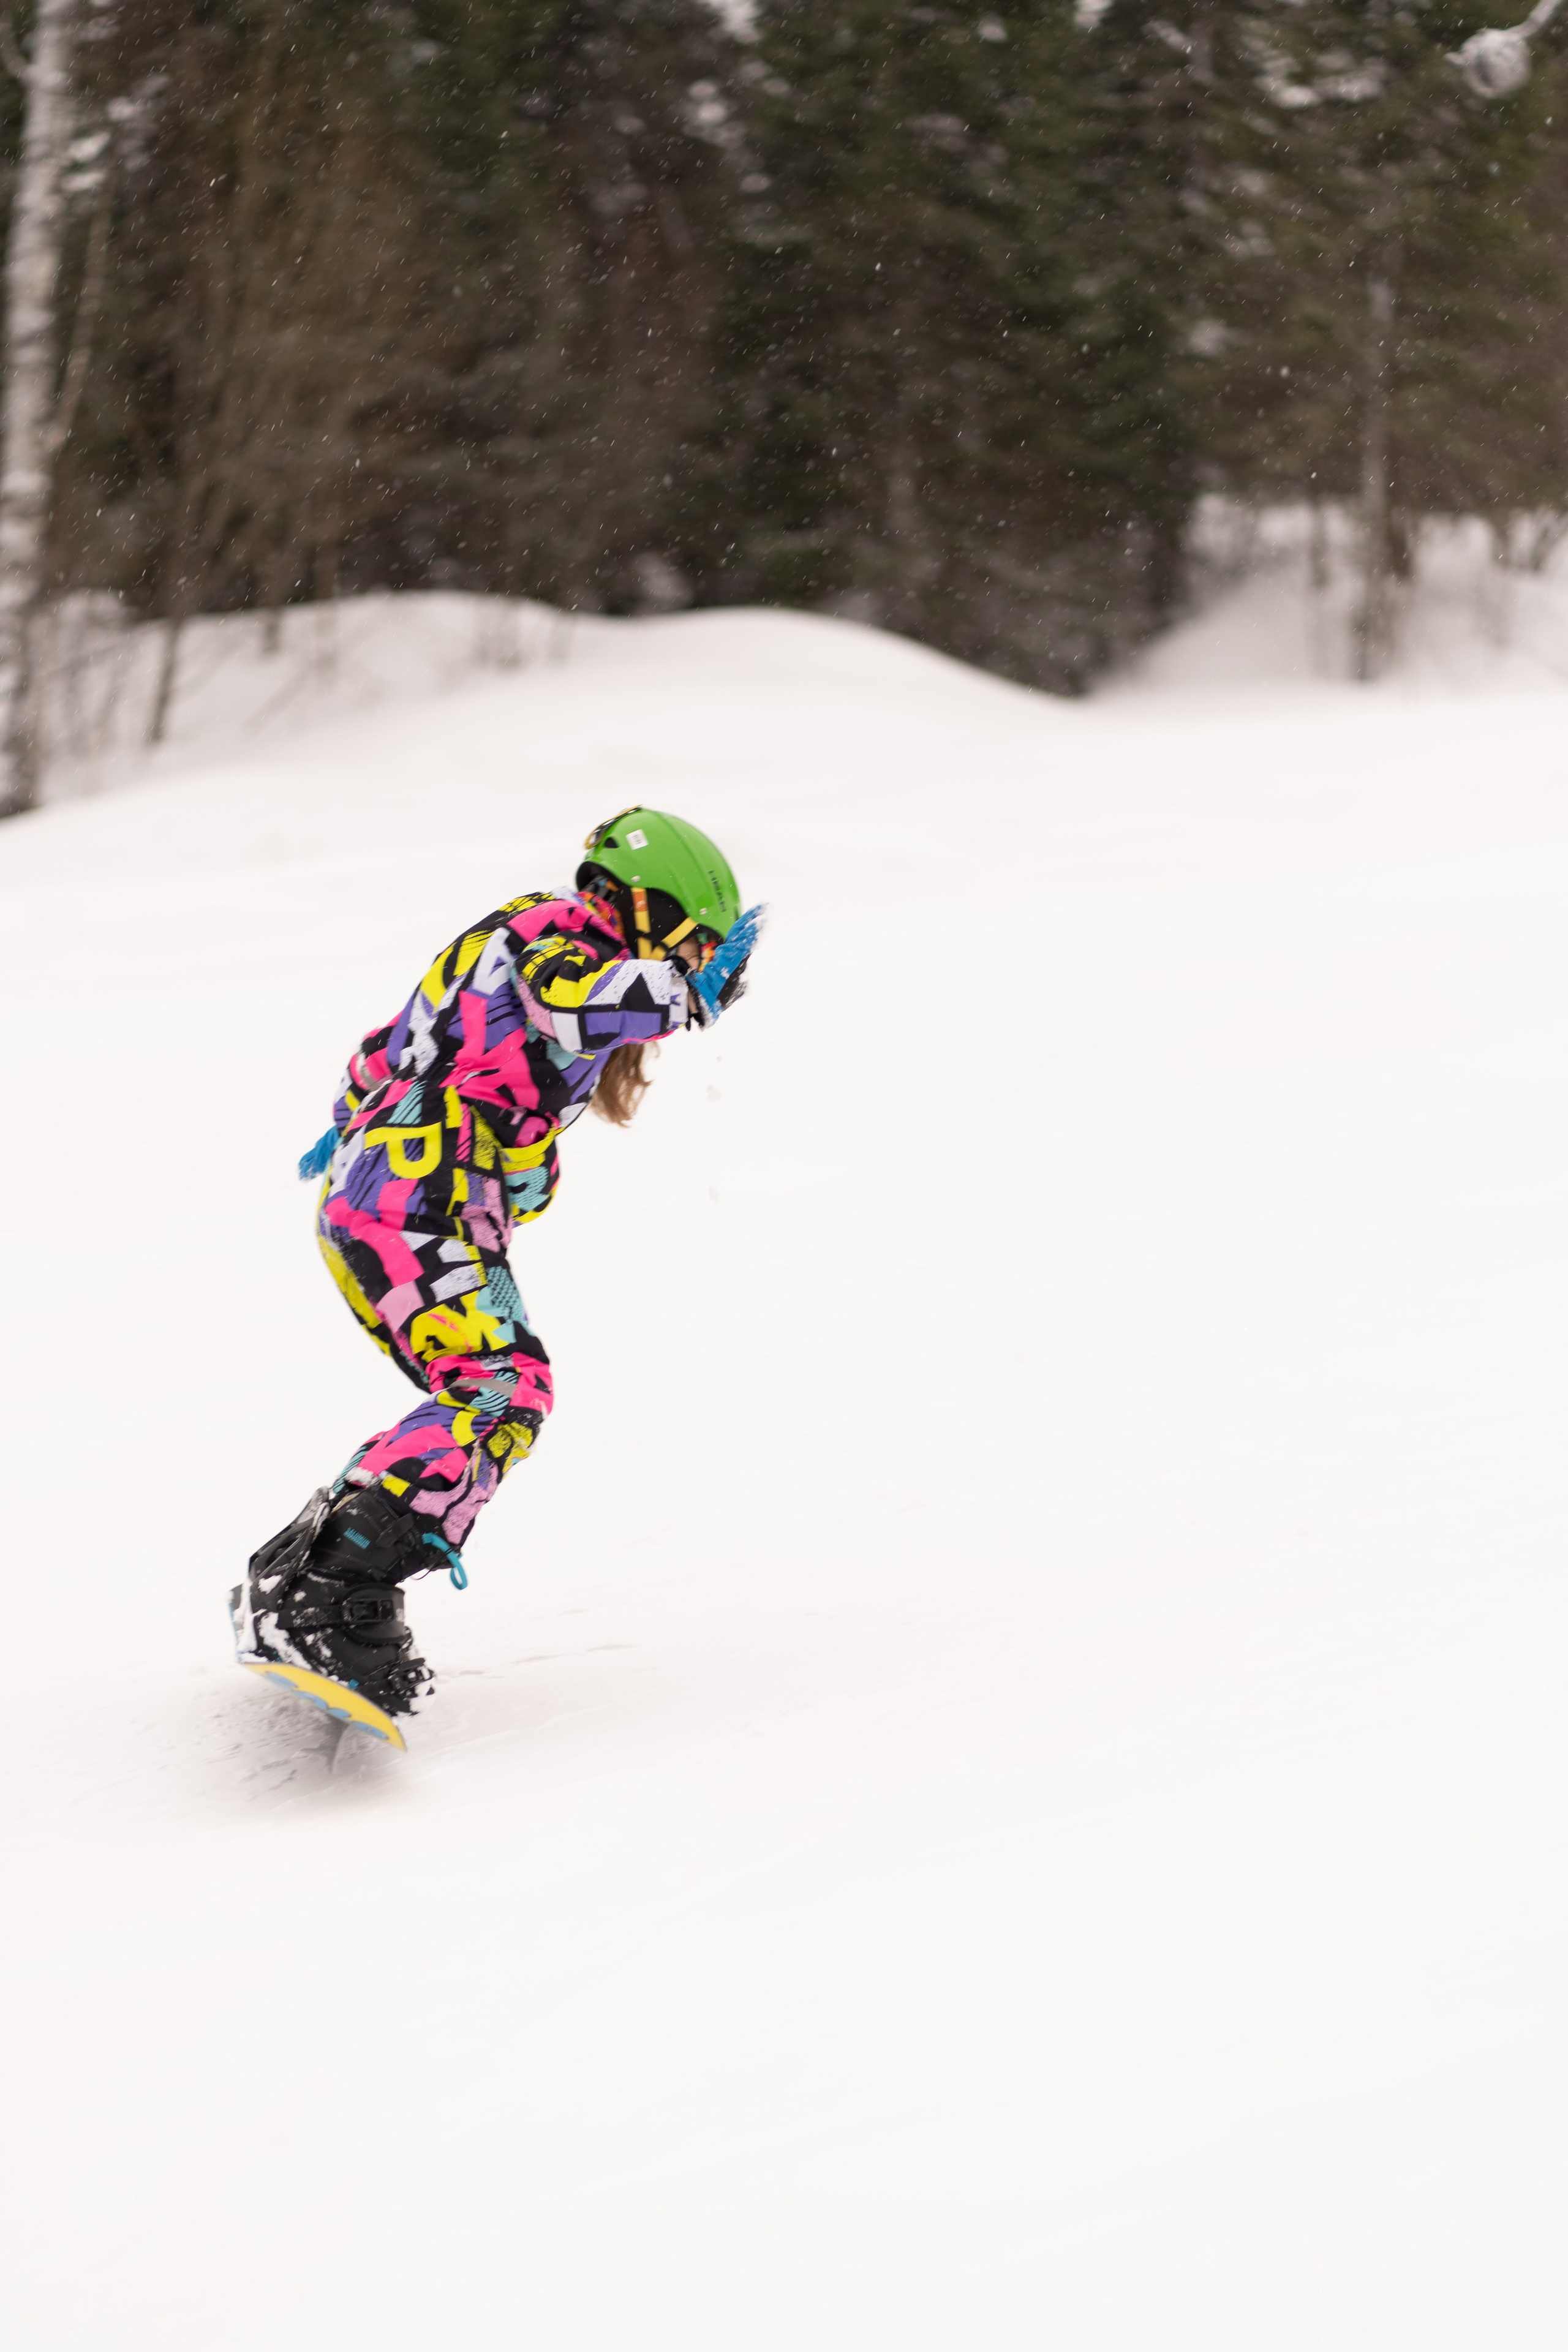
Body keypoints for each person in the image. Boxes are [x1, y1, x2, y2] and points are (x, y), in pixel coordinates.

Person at [232, 807, 761, 1725]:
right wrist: (687, 993)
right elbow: (578, 997)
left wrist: (356, 1119)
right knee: (499, 1390)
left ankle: (309, 1569)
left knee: (498, 1386)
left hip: (408, 1199)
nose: (684, 967)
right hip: (416, 1196)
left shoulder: (525, 941)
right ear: (640, 906)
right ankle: (329, 1594)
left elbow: (388, 1045)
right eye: (686, 944)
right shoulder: (554, 934)